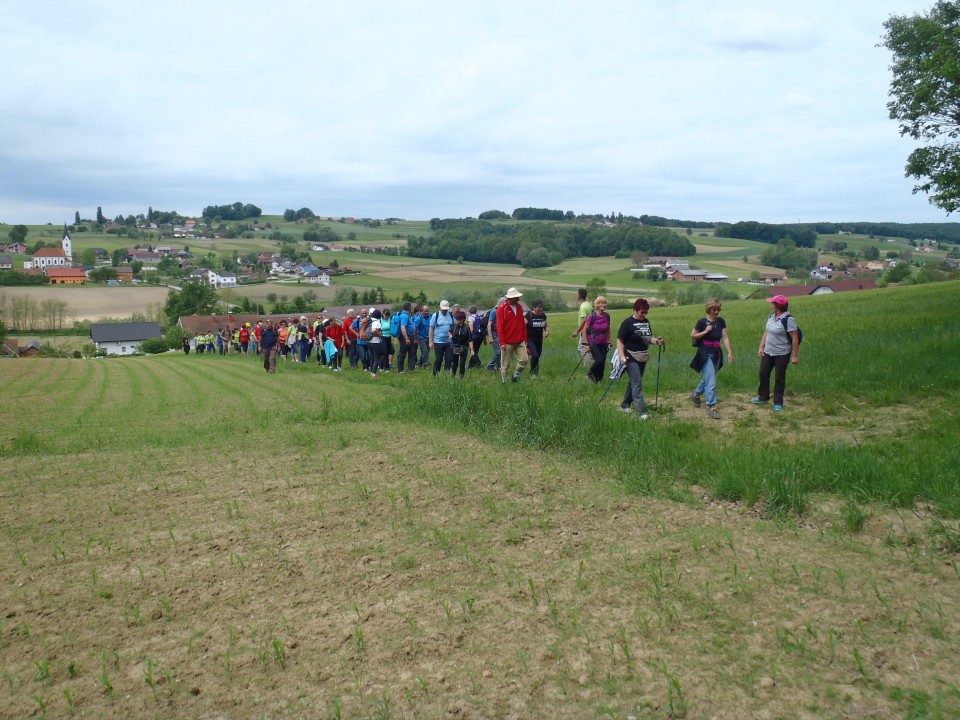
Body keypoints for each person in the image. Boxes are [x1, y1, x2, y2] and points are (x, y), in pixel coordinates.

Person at [616, 298, 664, 419]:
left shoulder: (646, 322)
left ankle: (625, 405)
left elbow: (647, 338)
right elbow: (619, 340)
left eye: (646, 312)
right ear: (635, 310)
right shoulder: (627, 323)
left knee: (633, 382)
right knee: (637, 383)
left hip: (642, 355)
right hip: (630, 355)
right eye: (642, 312)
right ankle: (642, 411)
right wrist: (621, 356)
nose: (644, 314)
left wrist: (656, 341)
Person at [753, 294, 800, 411]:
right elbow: (766, 332)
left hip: (782, 353)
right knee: (763, 373)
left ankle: (778, 402)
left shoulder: (788, 319)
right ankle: (763, 396)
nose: (771, 305)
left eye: (773, 304)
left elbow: (795, 338)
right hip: (768, 352)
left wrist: (794, 356)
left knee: (779, 377)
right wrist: (761, 347)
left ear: (778, 306)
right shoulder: (771, 316)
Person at [689, 299, 734, 420]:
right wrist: (705, 331)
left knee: (709, 378)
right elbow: (692, 335)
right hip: (704, 354)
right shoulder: (702, 322)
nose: (716, 312)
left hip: (716, 353)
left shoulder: (721, 321)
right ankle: (712, 407)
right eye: (714, 309)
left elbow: (725, 338)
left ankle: (696, 394)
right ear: (709, 310)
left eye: (718, 309)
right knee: (712, 381)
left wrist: (729, 352)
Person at [496, 287, 528, 384]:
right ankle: (504, 382)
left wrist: (525, 338)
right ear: (510, 298)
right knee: (505, 364)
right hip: (507, 342)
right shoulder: (502, 309)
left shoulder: (519, 307)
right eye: (516, 297)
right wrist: (502, 342)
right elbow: (499, 327)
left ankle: (516, 376)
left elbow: (522, 324)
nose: (518, 299)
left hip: (520, 340)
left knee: (524, 359)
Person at [580, 296, 611, 383]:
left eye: (604, 302)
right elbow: (585, 329)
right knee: (599, 361)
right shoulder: (592, 316)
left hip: (604, 342)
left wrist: (609, 341)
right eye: (601, 303)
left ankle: (599, 380)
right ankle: (590, 374)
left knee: (603, 363)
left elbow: (608, 329)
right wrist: (587, 344)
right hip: (594, 343)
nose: (603, 304)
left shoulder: (607, 316)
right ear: (597, 305)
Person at [524, 298, 549, 378]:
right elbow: (522, 327)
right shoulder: (529, 315)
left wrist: (547, 331)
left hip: (539, 340)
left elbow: (546, 325)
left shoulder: (542, 315)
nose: (540, 309)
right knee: (534, 355)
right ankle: (533, 373)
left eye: (541, 307)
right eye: (539, 307)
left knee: (537, 357)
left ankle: (534, 373)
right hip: (530, 340)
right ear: (534, 307)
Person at [429, 300, 454, 376]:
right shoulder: (435, 315)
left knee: (449, 359)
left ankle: (446, 375)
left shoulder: (451, 315)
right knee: (439, 360)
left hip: (449, 342)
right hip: (438, 342)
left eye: (446, 309)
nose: (444, 311)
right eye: (443, 309)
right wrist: (431, 342)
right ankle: (436, 375)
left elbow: (454, 326)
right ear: (440, 308)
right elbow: (431, 328)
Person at [485, 296, 506, 371]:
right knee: (498, 352)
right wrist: (490, 336)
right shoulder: (494, 311)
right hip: (494, 334)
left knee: (503, 351)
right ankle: (489, 366)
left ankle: (496, 367)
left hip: (500, 334)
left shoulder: (503, 311)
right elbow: (489, 324)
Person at [571, 288, 592, 361]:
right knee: (582, 348)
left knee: (583, 349)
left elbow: (584, 320)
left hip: (584, 331)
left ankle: (587, 366)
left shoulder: (583, 307)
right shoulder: (588, 305)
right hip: (590, 330)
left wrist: (577, 331)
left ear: (579, 295)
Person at [450, 310, 471, 377]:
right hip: (455, 346)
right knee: (454, 363)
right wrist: (450, 336)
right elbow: (449, 332)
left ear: (462, 320)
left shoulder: (467, 328)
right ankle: (453, 376)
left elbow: (470, 339)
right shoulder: (454, 326)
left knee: (462, 364)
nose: (456, 320)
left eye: (457, 319)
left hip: (464, 347)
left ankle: (461, 377)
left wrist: (472, 349)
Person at [396, 302, 415, 373]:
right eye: (411, 307)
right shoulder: (404, 315)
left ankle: (411, 369)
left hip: (410, 335)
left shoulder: (407, 315)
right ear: (409, 308)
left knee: (412, 352)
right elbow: (402, 327)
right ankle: (400, 369)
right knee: (403, 353)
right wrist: (407, 338)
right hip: (405, 336)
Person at [368, 309, 385, 377]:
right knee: (377, 358)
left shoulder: (369, 320)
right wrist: (379, 334)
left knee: (372, 357)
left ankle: (371, 371)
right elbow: (374, 330)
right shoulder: (377, 321)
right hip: (375, 341)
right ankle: (374, 373)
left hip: (369, 341)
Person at [416, 305, 431, 369]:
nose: (427, 312)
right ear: (422, 311)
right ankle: (426, 365)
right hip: (421, 337)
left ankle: (418, 363)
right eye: (425, 311)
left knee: (426, 351)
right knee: (424, 351)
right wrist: (415, 338)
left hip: (429, 337)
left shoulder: (431, 317)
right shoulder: (419, 318)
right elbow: (415, 328)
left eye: (427, 311)